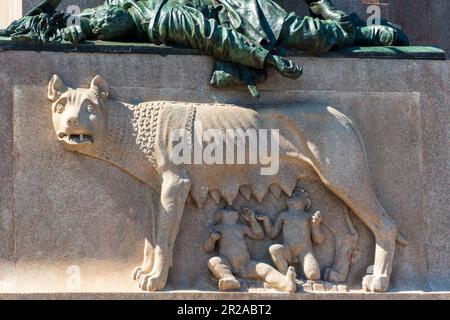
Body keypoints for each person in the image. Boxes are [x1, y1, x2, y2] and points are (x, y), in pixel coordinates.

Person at [203, 207, 297, 292]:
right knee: (214, 261)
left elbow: (259, 235)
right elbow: (207, 249)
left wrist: (252, 221)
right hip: (228, 263)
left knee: (266, 269)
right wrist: (212, 240)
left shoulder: (241, 227)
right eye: (226, 209)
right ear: (219, 216)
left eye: (232, 209)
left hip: (246, 264)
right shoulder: (217, 228)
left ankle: (286, 284)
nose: (230, 209)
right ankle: (229, 279)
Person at [257, 188, 325, 280]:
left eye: (297, 195)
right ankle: (287, 279)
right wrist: (266, 220)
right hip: (288, 249)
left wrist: (316, 225)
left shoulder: (309, 216)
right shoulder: (284, 215)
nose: (292, 196)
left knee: (313, 275)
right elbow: (273, 234)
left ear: (306, 202)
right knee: (274, 249)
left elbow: (318, 239)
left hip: (305, 251)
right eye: (291, 194)